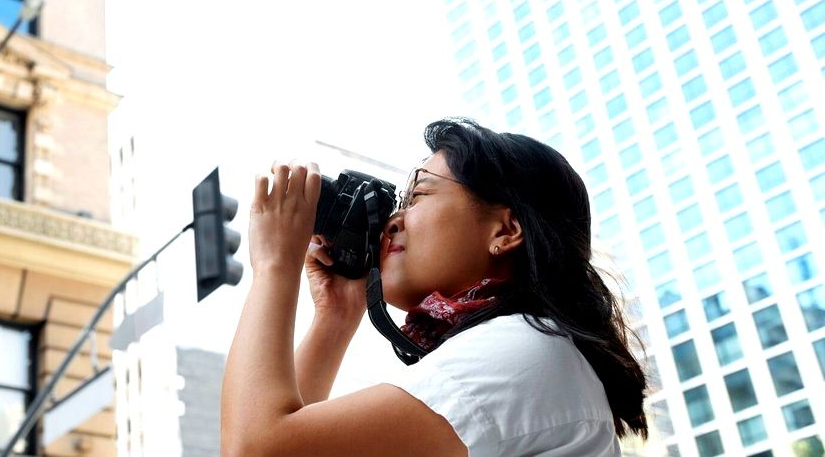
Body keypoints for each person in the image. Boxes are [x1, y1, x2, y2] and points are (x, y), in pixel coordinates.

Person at [220, 118, 648, 456]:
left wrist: (275, 263)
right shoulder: (534, 350)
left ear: (506, 229)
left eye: (419, 196)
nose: (392, 220)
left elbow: (259, 449)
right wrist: (336, 317)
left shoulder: (521, 350)